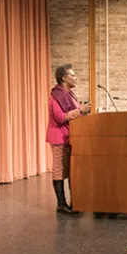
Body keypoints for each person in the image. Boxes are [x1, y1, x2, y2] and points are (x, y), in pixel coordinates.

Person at [47, 64, 89, 215]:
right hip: (59, 137)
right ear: (64, 78)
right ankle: (61, 204)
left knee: (72, 170)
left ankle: (75, 202)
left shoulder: (71, 95)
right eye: (73, 75)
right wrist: (80, 111)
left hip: (72, 137)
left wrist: (83, 113)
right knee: (59, 171)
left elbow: (77, 113)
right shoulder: (55, 97)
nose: (76, 77)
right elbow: (60, 117)